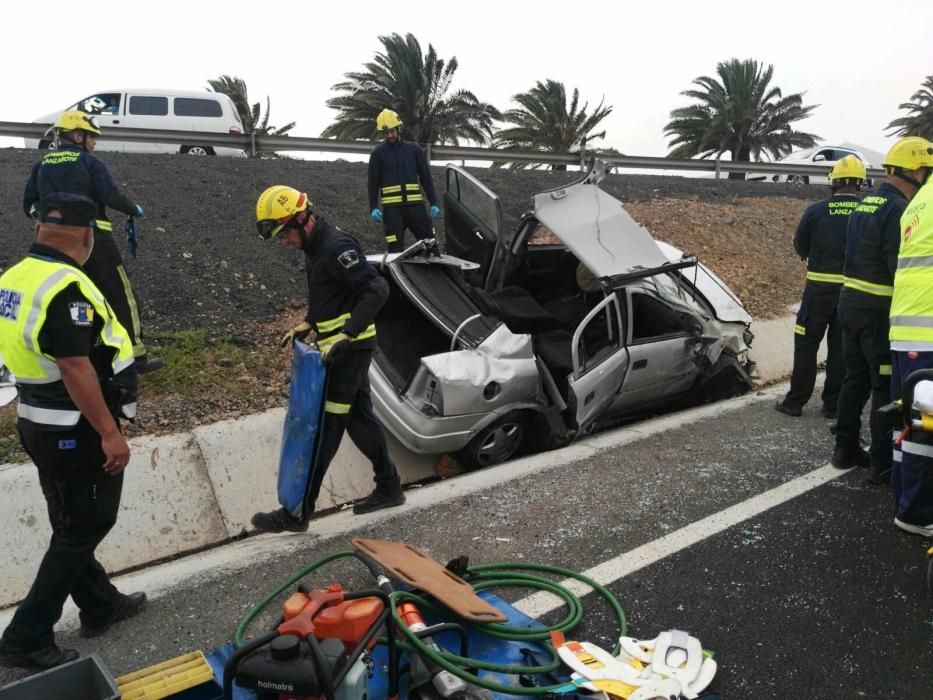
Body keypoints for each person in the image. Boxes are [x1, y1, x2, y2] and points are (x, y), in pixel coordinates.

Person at [0, 193, 146, 671]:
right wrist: (109, 432)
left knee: (70, 522)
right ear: (85, 236)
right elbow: (73, 364)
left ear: (41, 229)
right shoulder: (66, 286)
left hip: (36, 421)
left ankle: (101, 605)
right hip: (75, 428)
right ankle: (26, 636)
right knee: (85, 525)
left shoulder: (14, 279)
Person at [251, 186, 405, 533]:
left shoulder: (337, 247)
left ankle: (296, 512)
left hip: (348, 351)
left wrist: (347, 334)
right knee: (359, 419)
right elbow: (331, 295)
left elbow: (377, 290)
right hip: (339, 348)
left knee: (325, 428)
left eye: (284, 233)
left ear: (302, 219)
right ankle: (390, 486)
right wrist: (308, 323)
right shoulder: (315, 247)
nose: (283, 242)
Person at [22, 110, 162, 374]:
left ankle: (81, 358)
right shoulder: (89, 163)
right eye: (91, 137)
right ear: (77, 135)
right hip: (94, 240)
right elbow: (110, 195)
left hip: (55, 248)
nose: (94, 142)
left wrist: (49, 223)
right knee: (120, 296)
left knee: (73, 299)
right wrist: (133, 209)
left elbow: (28, 205)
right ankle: (135, 357)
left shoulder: (41, 166)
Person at [831, 137, 933, 482]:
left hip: (850, 303)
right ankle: (881, 462)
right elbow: (899, 267)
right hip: (878, 309)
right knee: (881, 386)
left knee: (854, 378)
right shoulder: (901, 209)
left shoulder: (865, 204)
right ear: (917, 171)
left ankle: (844, 449)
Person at [776, 155, 864, 418]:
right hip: (850, 293)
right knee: (840, 347)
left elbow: (800, 245)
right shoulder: (866, 211)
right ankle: (833, 404)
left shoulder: (816, 211)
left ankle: (795, 402)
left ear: (833, 182)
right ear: (860, 183)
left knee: (806, 344)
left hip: (818, 292)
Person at [887, 144, 933, 535]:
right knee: (925, 426)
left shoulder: (917, 205)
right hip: (927, 331)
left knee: (908, 418)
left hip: (907, 330)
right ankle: (915, 513)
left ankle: (902, 496)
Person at [367, 108, 440, 253]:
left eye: (392, 131)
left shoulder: (414, 150)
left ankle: (436, 272)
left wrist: (433, 203)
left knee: (430, 244)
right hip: (392, 211)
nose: (389, 135)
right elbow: (372, 183)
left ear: (398, 129)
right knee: (395, 250)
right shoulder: (377, 154)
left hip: (415, 207)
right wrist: (373, 207)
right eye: (386, 133)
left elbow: (426, 178)